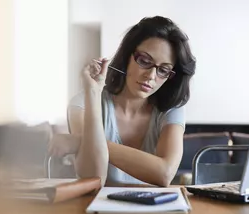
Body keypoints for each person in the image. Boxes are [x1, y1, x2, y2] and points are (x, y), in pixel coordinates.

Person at [48, 16, 196, 186]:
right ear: (127, 57)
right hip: (95, 207)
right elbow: (93, 177)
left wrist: (81, 142)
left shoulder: (171, 108)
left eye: (163, 70)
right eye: (144, 61)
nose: (151, 76)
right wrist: (93, 93)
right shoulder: (82, 103)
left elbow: (164, 174)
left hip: (153, 209)